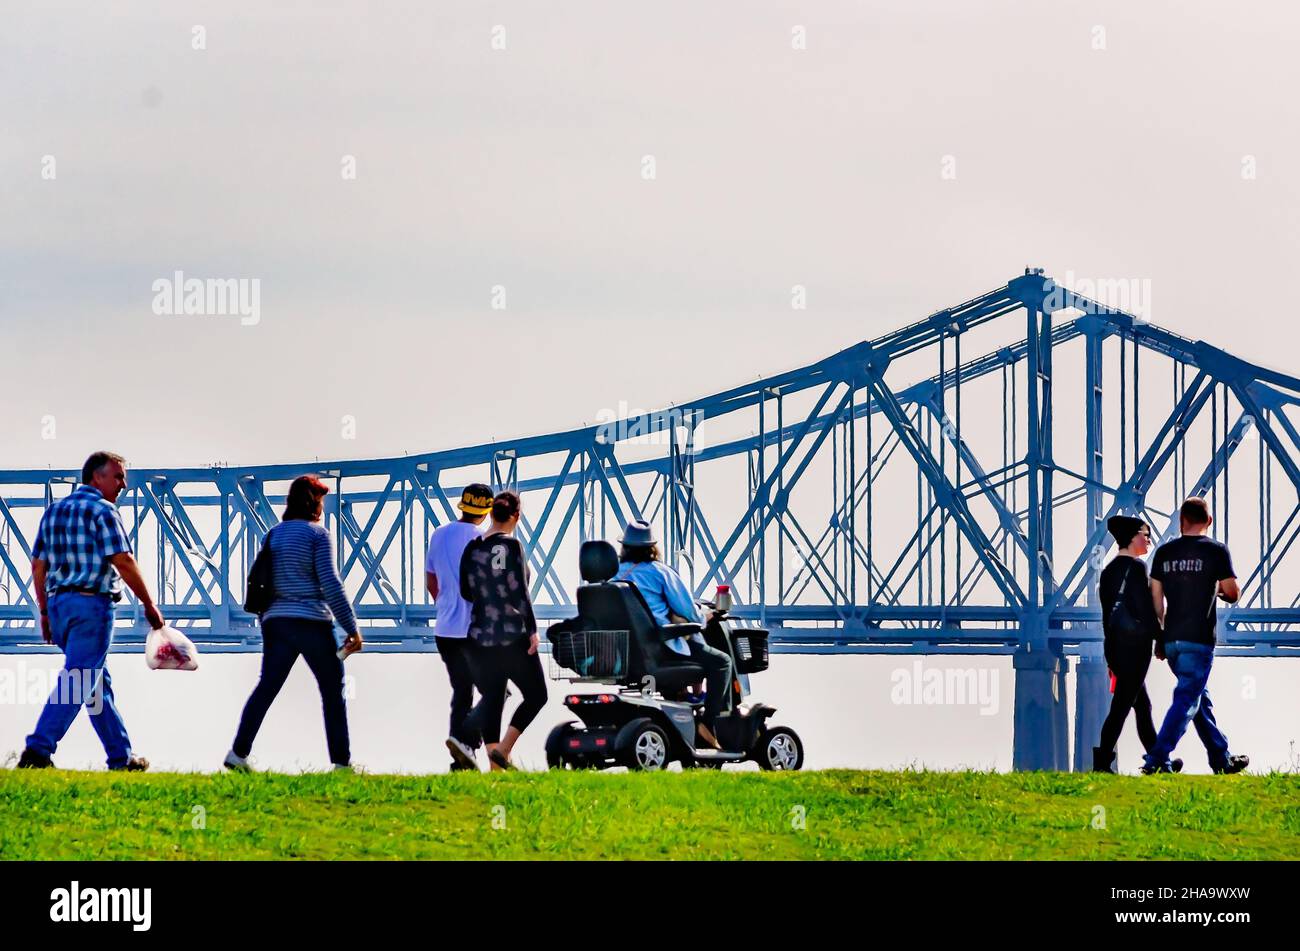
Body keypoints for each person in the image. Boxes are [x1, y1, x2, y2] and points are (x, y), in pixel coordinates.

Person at [18, 452, 165, 771]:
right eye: (118, 476)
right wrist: (149, 604)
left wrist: (44, 612)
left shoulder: (54, 511)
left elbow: (38, 564)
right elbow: (123, 560)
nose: (124, 484)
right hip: (91, 605)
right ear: (96, 477)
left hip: (59, 606)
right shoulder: (104, 510)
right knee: (79, 678)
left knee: (97, 684)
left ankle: (121, 758)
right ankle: (37, 751)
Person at [225, 475, 363, 772]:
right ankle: (341, 764)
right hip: (312, 622)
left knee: (267, 687)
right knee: (332, 691)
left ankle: (237, 753)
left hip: (276, 622)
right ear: (315, 503)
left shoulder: (273, 534)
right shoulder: (318, 535)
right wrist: (351, 627)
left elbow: (264, 581)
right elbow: (330, 583)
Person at [1142, 497, 1250, 775]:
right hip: (1199, 639)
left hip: (1172, 641)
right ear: (1209, 521)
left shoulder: (1164, 553)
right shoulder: (1216, 551)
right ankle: (1156, 759)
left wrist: (1160, 637)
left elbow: (1156, 600)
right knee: (1188, 699)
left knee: (1198, 696)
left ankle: (1221, 758)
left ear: (1181, 522)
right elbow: (1233, 592)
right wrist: (1213, 588)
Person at [447, 491, 547, 771]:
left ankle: (496, 770)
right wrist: (533, 630)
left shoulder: (472, 547)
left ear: (490, 514)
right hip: (512, 636)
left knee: (493, 697)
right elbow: (520, 593)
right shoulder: (512, 546)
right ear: (516, 516)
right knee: (537, 695)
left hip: (479, 637)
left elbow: (466, 592)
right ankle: (503, 750)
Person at [613, 519, 732, 750]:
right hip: (660, 647)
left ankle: (683, 706)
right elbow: (689, 611)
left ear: (624, 547)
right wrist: (705, 615)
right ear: (652, 547)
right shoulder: (660, 572)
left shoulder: (612, 578)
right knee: (722, 662)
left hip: (628, 652)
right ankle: (709, 724)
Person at [1093, 516, 1181, 774]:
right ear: (1133, 537)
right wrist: (1161, 639)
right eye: (1146, 533)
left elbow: (1107, 615)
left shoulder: (1108, 571)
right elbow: (1144, 610)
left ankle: (1159, 761)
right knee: (1121, 706)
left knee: (1141, 705)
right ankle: (1103, 762)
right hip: (1135, 648)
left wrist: (1110, 655)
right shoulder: (1137, 568)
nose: (1149, 538)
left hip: (1116, 648)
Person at [425, 483, 492, 771]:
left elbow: (431, 580)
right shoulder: (482, 538)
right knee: (494, 692)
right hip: (473, 631)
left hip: (445, 630)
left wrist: (445, 605)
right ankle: (466, 741)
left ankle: (461, 757)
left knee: (462, 691)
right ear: (487, 511)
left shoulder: (438, 534)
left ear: (462, 506)